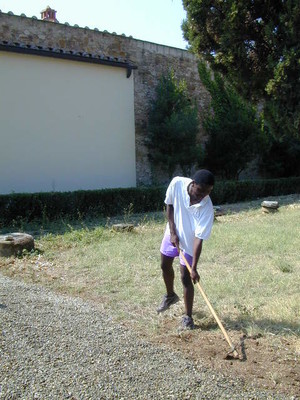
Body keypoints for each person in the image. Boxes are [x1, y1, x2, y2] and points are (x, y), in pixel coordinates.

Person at [157, 169, 215, 329]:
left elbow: (199, 238)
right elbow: (170, 206)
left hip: (190, 242)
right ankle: (170, 296)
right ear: (193, 184)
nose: (202, 195)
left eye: (207, 192)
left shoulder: (207, 207)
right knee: (164, 265)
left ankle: (188, 318)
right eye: (200, 191)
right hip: (173, 231)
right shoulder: (177, 183)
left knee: (185, 277)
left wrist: (194, 268)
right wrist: (173, 232)